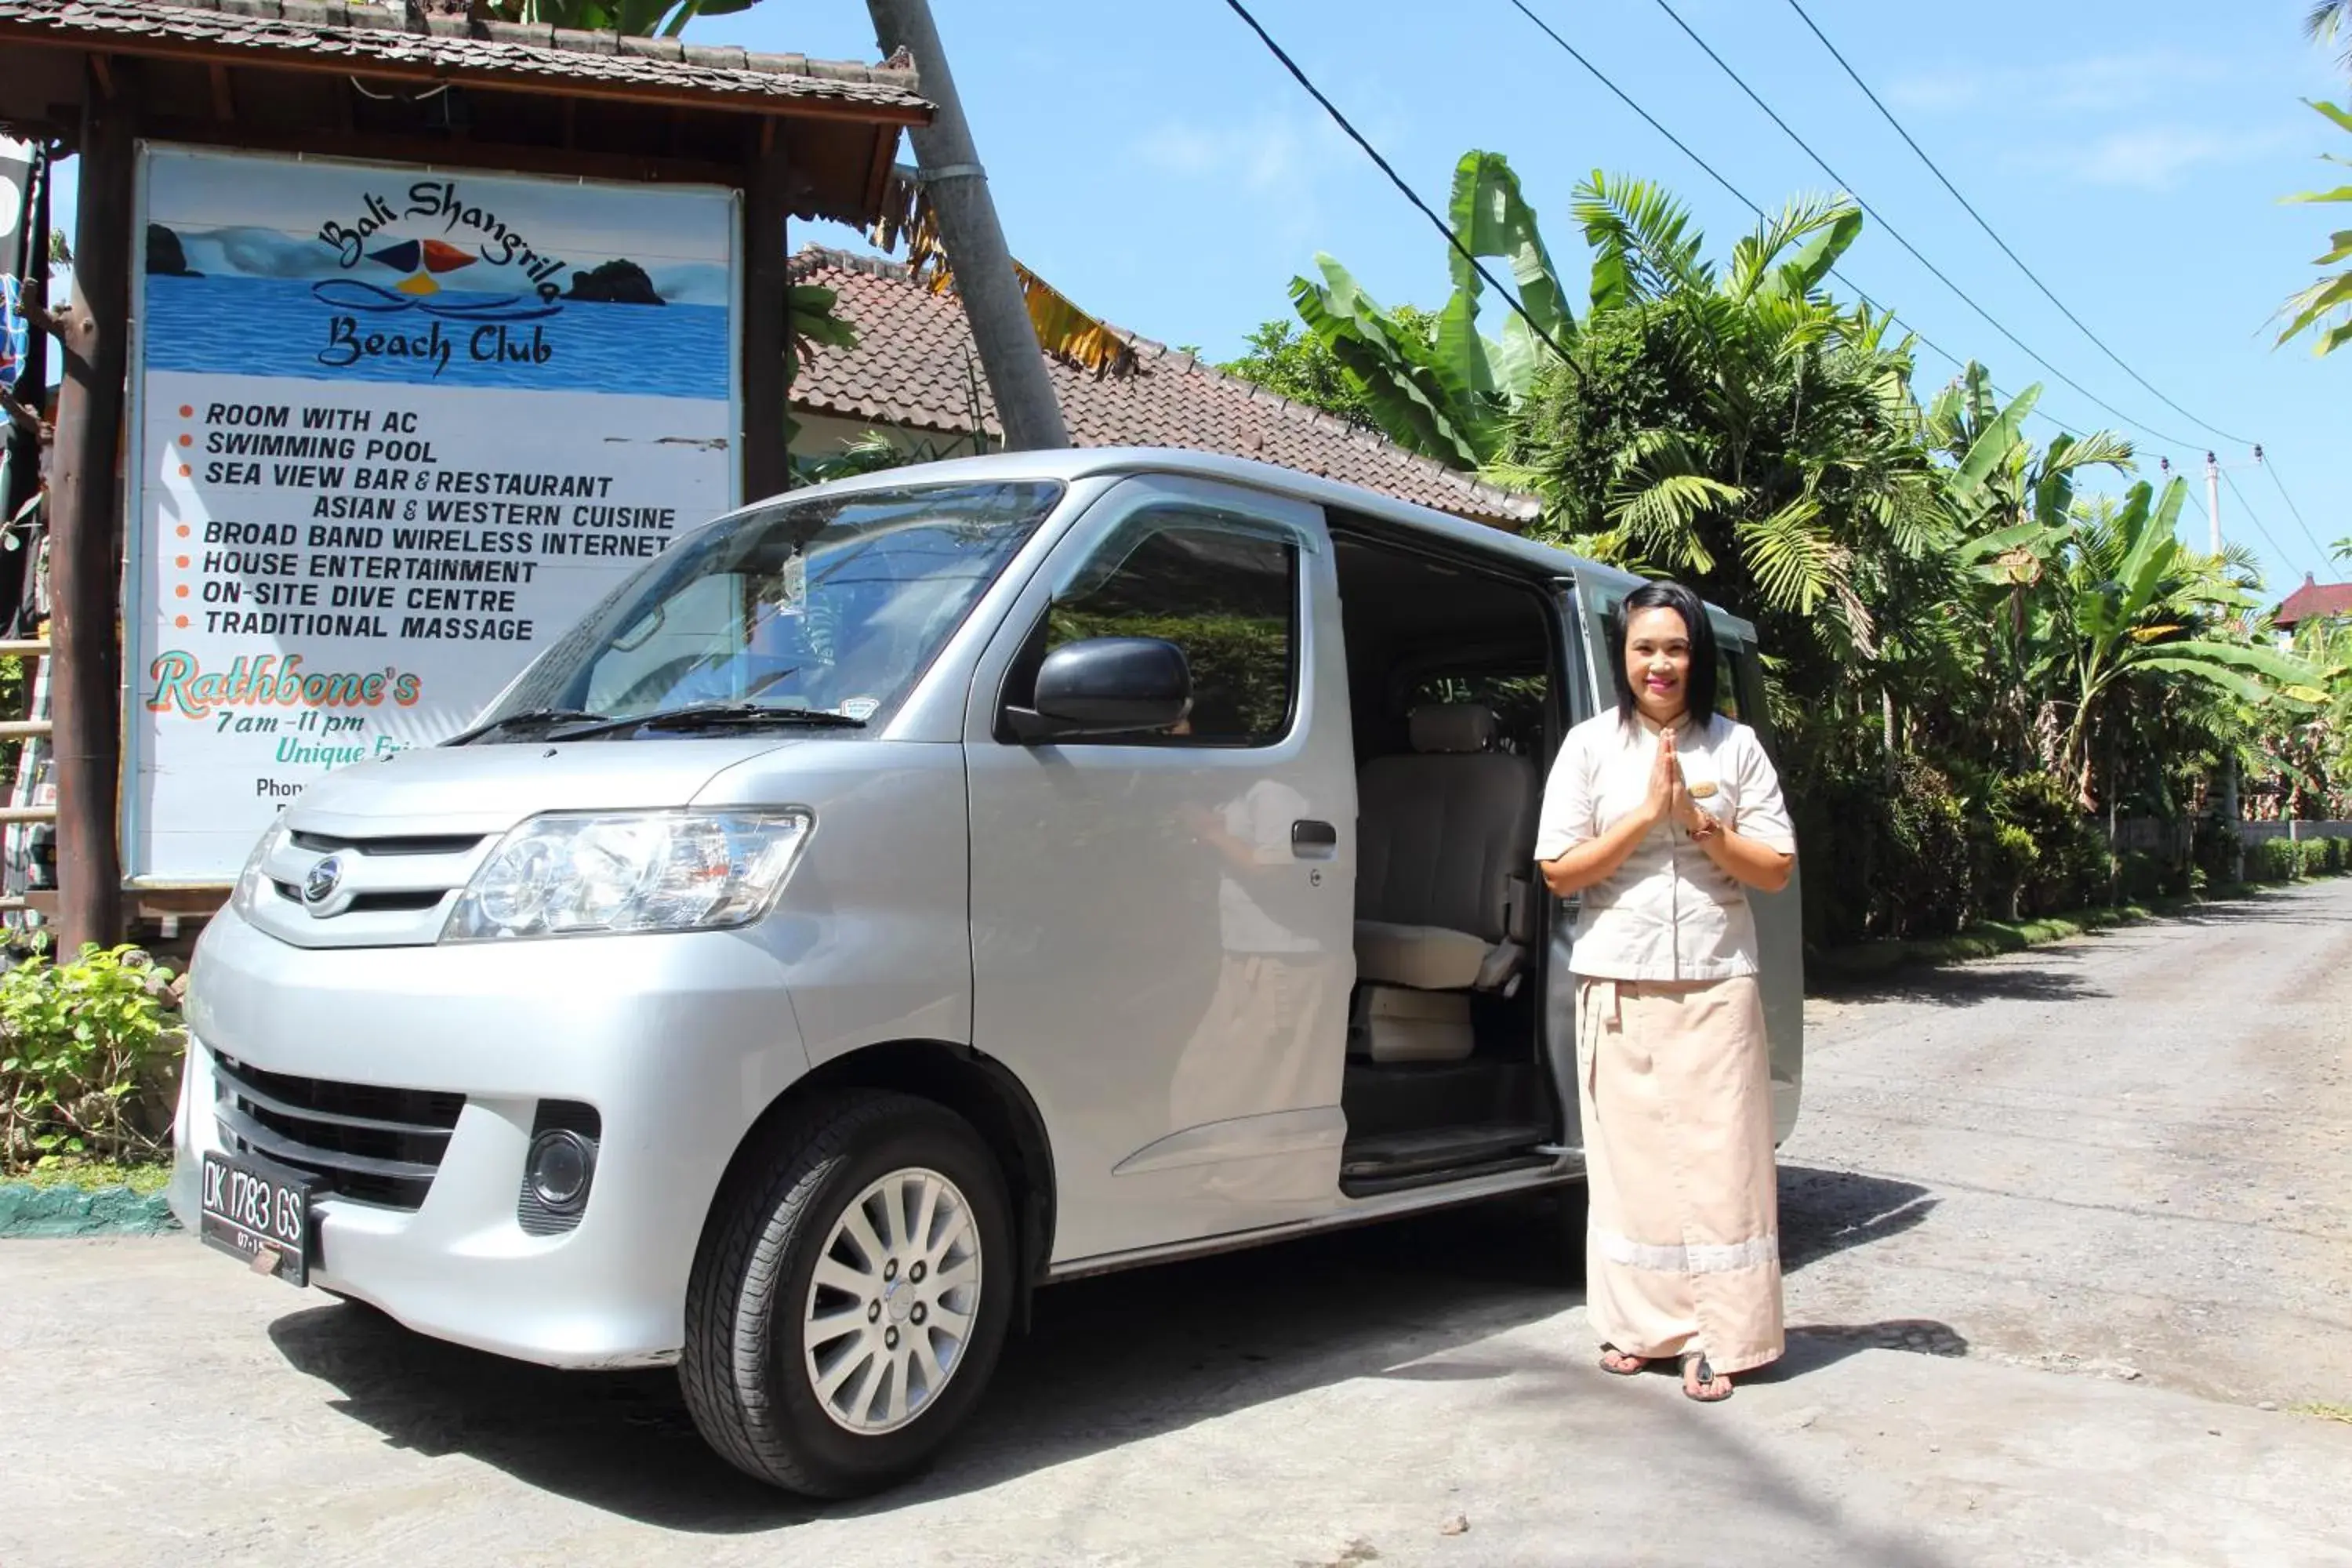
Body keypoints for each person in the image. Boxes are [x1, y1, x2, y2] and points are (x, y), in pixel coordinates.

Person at [1531, 581, 1797, 1403]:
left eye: (1676, 648)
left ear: (1697, 657)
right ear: (1623, 655)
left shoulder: (1737, 746)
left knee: (1725, 1164)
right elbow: (1558, 870)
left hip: (1717, 979)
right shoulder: (1588, 747)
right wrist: (1646, 816)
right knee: (1631, 1165)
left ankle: (1723, 1336)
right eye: (1645, 647)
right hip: (1618, 974)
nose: (1660, 663)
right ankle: (1641, 1327)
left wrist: (1703, 824)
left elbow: (1777, 869)